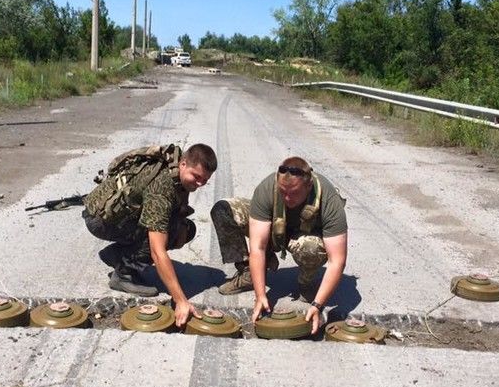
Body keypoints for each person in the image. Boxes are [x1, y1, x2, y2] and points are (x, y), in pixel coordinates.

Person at [82, 143, 217, 327]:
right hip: (101, 220)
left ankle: (118, 255)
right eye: (196, 176)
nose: (200, 184)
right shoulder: (162, 187)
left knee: (185, 229)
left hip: (115, 212)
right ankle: (124, 274)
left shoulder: (175, 166)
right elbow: (157, 251)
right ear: (183, 164)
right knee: (165, 235)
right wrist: (181, 300)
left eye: (205, 180)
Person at [211, 156, 347, 333]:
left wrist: (318, 305)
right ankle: (248, 274)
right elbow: (258, 247)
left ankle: (306, 283)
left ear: (309, 186)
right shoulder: (268, 187)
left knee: (311, 248)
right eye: (283, 192)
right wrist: (260, 296)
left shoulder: (328, 199)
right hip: (275, 226)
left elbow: (337, 261)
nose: (288, 198)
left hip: (305, 235)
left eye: (294, 193)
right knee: (223, 210)